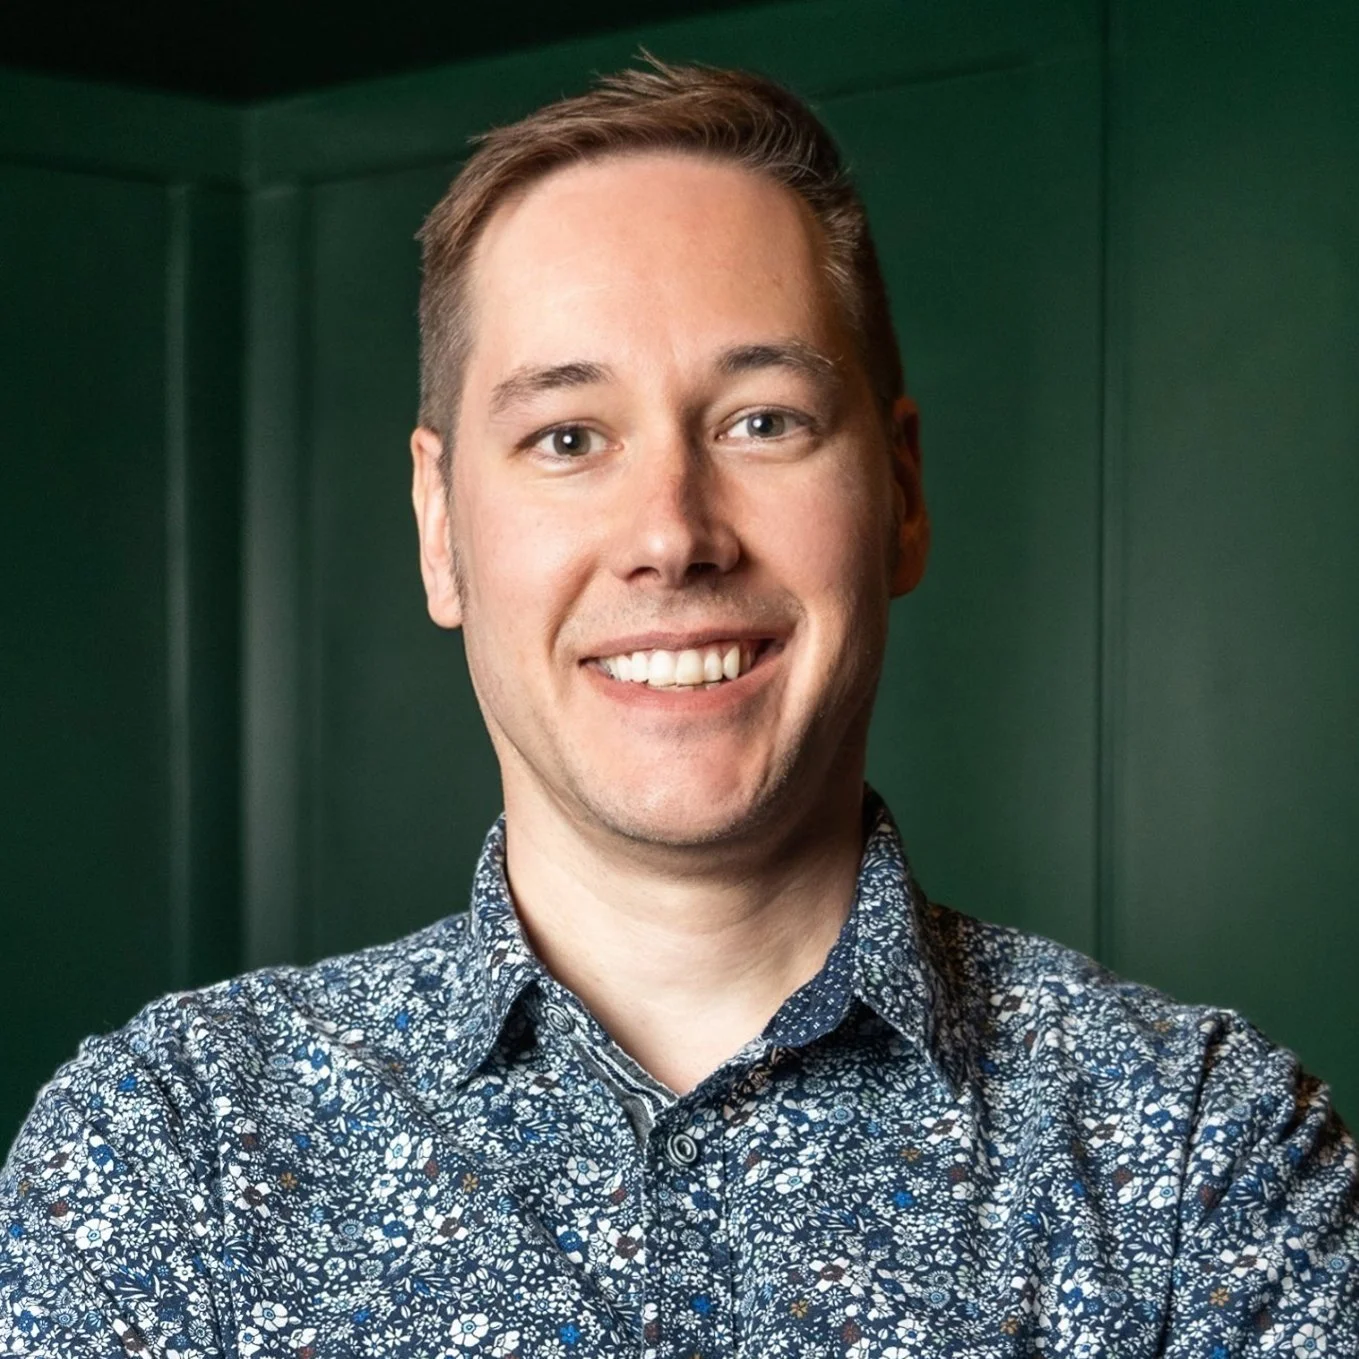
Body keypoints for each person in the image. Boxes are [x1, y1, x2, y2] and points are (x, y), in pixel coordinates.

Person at [2, 57, 1356, 1359]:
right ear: (438, 526)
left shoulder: (1204, 1157)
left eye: (760, 420)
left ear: (900, 493)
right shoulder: (170, 1153)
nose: (672, 534)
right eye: (568, 438)